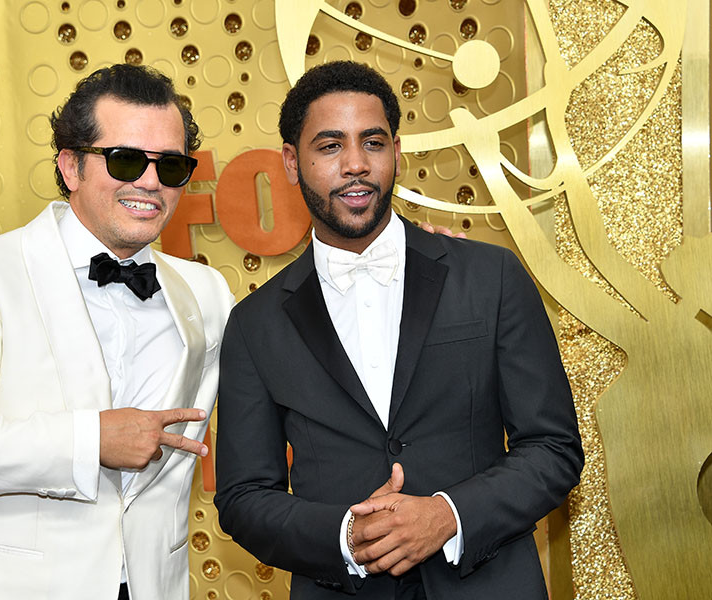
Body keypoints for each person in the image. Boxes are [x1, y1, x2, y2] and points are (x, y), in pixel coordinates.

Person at [214, 61, 583, 599]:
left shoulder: (492, 277)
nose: (356, 164)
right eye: (330, 146)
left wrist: (449, 515)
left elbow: (553, 447)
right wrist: (345, 536)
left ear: (397, 152)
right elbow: (243, 496)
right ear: (292, 162)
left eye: (373, 142)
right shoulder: (255, 323)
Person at [0, 64, 234, 600]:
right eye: (125, 160)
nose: (151, 182)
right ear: (71, 166)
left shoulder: (207, 293)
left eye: (171, 166)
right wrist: (91, 439)